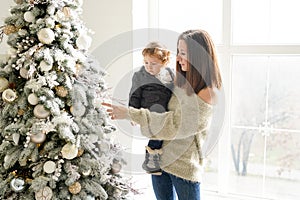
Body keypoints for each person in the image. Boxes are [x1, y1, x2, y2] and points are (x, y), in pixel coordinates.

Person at [103, 29, 222, 200]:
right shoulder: (181, 83)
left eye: (183, 53)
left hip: (183, 168)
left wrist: (131, 113)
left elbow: (175, 124)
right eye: (178, 52)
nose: (178, 58)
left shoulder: (208, 93)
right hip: (159, 161)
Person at [129, 41, 174, 175]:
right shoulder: (140, 76)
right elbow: (134, 96)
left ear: (164, 63)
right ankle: (151, 158)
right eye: (146, 62)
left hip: (165, 112)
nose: (149, 67)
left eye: (153, 64)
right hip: (149, 112)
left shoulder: (169, 75)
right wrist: (133, 114)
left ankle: (157, 157)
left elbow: (176, 91)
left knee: (165, 134)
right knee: (157, 133)